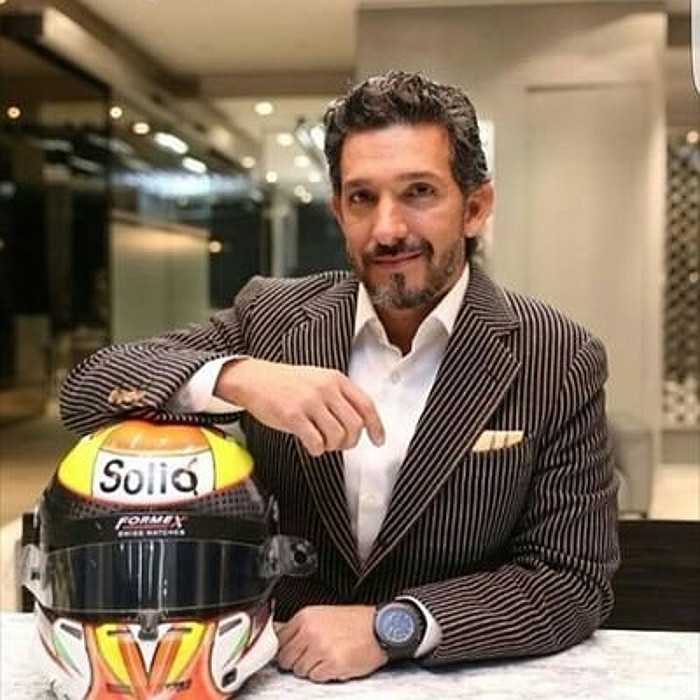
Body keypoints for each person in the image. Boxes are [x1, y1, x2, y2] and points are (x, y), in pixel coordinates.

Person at [60, 70, 619, 684]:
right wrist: (240, 377)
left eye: (419, 192)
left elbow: (571, 580)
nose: (387, 229)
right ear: (338, 210)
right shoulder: (271, 318)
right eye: (362, 198)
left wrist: (393, 626)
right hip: (274, 675)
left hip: (449, 681)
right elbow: (89, 388)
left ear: (475, 207)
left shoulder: (557, 356)